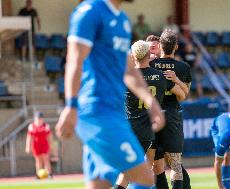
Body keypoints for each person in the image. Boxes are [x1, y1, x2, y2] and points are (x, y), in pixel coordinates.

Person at [55, 1, 165, 189]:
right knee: (145, 177)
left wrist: (151, 103)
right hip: (97, 111)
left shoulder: (122, 19)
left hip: (114, 112)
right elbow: (74, 60)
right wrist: (71, 105)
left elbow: (129, 69)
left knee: (100, 184)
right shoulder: (89, 12)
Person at [115, 40, 186, 189]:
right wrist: (176, 80)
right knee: (146, 169)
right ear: (149, 55)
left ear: (133, 57)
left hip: (129, 130)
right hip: (149, 131)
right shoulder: (160, 77)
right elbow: (181, 95)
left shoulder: (127, 77)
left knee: (126, 173)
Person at [149, 30, 192, 189]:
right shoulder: (183, 67)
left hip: (152, 117)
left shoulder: (150, 65)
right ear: (176, 46)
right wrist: (176, 80)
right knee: (175, 165)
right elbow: (184, 94)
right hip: (172, 115)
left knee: (156, 166)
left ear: (160, 45)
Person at [25, 112, 53, 179]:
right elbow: (29, 137)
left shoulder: (46, 126)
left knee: (46, 159)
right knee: (38, 160)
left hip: (44, 144)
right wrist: (27, 146)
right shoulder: (31, 126)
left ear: (42, 119)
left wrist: (51, 145)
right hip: (36, 145)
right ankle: (38, 175)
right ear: (35, 119)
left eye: (40, 118)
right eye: (37, 118)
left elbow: (49, 136)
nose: (39, 120)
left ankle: (49, 174)